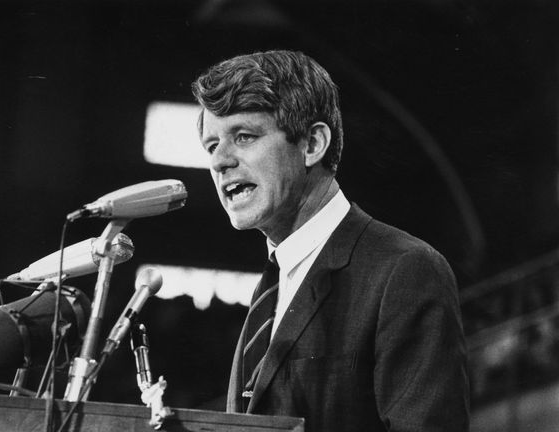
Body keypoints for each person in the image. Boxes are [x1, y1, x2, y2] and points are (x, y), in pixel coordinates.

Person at [191, 50, 469, 432]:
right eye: (211, 146)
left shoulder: (404, 270)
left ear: (312, 144)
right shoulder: (272, 287)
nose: (220, 160)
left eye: (244, 136)